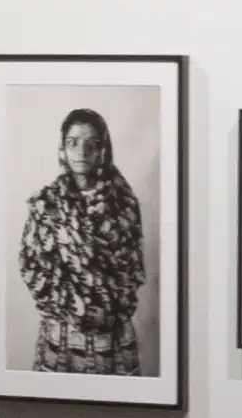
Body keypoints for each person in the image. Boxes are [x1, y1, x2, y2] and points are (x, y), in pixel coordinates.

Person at [12, 109, 149, 375]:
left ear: (102, 151)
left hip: (113, 339)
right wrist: (69, 304)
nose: (81, 151)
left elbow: (132, 270)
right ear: (62, 150)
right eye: (73, 143)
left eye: (91, 144)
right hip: (62, 334)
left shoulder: (123, 204)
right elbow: (30, 267)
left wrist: (107, 307)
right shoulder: (46, 204)